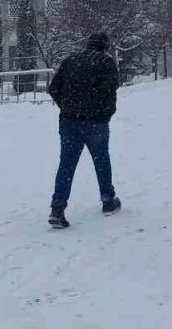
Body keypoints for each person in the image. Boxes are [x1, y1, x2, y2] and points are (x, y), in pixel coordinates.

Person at [46, 32, 121, 229]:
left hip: (70, 122)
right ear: (104, 46)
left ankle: (57, 208)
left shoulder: (70, 61)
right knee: (101, 160)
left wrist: (67, 106)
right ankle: (107, 199)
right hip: (96, 122)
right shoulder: (105, 63)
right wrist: (105, 112)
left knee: (66, 165)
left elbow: (53, 88)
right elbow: (112, 88)